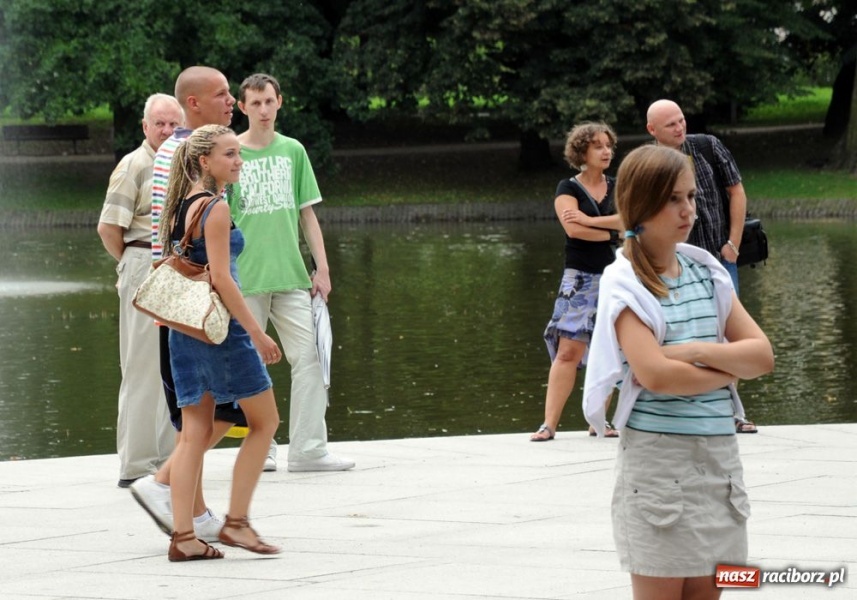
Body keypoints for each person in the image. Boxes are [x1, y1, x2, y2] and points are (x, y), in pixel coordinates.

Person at [582, 145, 774, 599]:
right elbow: (656, 375)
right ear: (640, 204)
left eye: (690, 197)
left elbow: (762, 356)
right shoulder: (625, 279)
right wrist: (728, 370)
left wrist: (693, 351)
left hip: (719, 464)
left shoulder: (707, 273)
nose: (687, 209)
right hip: (659, 464)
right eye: (672, 199)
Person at [130, 67, 244, 542]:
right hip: (190, 308)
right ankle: (162, 485)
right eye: (221, 95)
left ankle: (193, 514)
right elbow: (179, 241)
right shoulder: (185, 153)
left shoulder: (193, 150)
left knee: (204, 414)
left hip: (188, 304)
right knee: (213, 413)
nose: (232, 100)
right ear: (193, 104)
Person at [159, 124, 282, 561]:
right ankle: (236, 524)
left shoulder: (181, 205)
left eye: (238, 153)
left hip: (184, 330)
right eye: (229, 154)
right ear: (204, 162)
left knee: (193, 433)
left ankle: (184, 537)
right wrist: (256, 331)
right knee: (265, 422)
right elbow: (224, 281)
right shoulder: (215, 209)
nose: (238, 161)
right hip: (219, 331)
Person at [227, 72, 354, 472]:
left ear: (280, 102)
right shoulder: (231, 153)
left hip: (293, 277)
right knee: (250, 364)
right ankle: (261, 448)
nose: (263, 110)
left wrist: (323, 269)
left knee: (313, 357)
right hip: (244, 278)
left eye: (270, 101)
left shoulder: (293, 151)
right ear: (243, 107)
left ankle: (308, 449)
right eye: (255, 103)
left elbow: (308, 215)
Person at [646, 99, 759, 434]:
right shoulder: (649, 163)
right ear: (652, 130)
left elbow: (736, 192)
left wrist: (733, 244)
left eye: (681, 120)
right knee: (676, 333)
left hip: (719, 260)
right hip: (671, 265)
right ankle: (685, 407)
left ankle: (731, 410)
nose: (680, 127)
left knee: (727, 337)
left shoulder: (708, 146)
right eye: (671, 124)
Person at [98, 93, 183, 488]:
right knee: (141, 368)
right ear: (145, 126)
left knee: (173, 367)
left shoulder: (182, 163)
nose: (167, 131)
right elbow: (108, 228)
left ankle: (167, 461)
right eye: (160, 124)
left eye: (173, 124)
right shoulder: (133, 165)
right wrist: (133, 266)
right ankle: (136, 465)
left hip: (177, 271)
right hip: (141, 264)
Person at [530, 122, 623, 441]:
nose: (606, 150)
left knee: (610, 348)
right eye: (598, 145)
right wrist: (613, 230)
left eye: (608, 145)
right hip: (580, 276)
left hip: (615, 274)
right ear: (582, 151)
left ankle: (600, 422)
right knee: (568, 350)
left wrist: (592, 221)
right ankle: (549, 424)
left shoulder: (618, 184)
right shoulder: (567, 188)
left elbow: (631, 219)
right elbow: (574, 230)